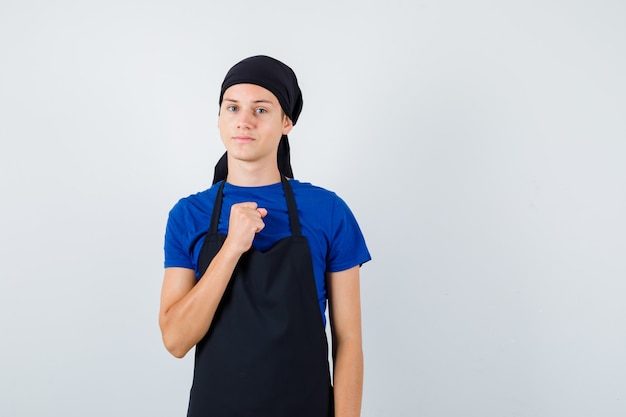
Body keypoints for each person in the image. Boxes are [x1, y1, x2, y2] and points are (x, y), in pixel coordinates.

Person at [159, 55, 371, 417]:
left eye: (261, 110)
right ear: (219, 119)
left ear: (286, 122)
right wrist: (231, 248)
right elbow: (176, 340)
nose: (243, 121)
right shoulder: (188, 215)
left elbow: (348, 339)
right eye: (233, 108)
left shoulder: (328, 211)